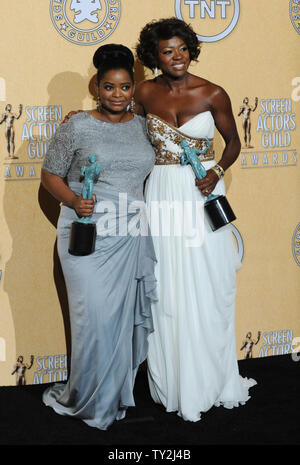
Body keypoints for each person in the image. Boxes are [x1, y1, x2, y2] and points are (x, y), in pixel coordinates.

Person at [134, 17, 257, 422]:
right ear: (155, 56)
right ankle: (174, 381)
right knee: (167, 287)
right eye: (167, 51)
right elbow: (123, 133)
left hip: (203, 194)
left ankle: (210, 377)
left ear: (191, 49)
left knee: (209, 282)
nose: (177, 57)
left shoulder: (213, 92)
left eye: (182, 48)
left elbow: (234, 142)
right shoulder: (144, 93)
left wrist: (217, 172)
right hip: (163, 193)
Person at [41, 44, 157, 430]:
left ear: (134, 88)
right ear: (97, 88)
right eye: (109, 87)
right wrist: (74, 199)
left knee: (120, 322)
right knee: (93, 319)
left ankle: (112, 397)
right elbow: (50, 175)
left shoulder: (143, 123)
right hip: (85, 234)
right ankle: (88, 400)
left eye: (125, 88)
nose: (117, 95)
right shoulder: (76, 124)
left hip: (129, 234)